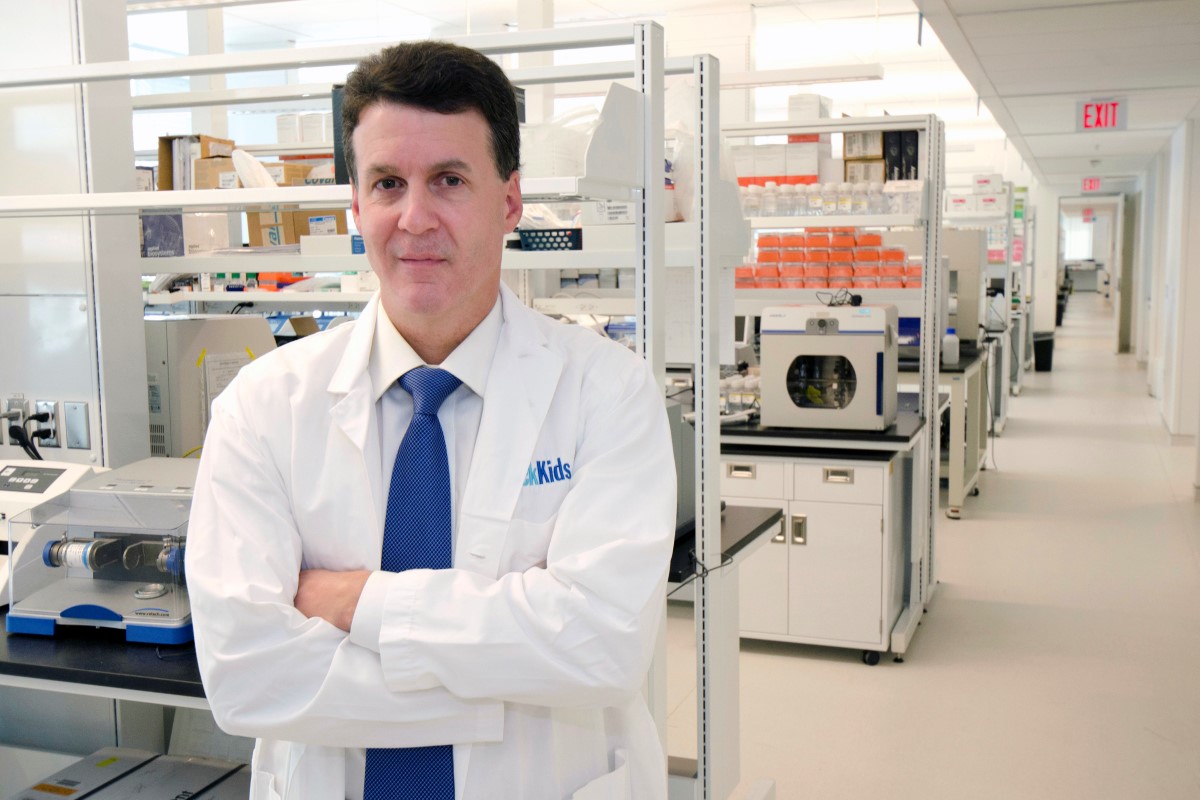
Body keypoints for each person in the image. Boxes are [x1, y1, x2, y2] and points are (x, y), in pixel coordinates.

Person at [186, 39, 677, 800]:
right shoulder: (263, 405)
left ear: (509, 199)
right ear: (356, 205)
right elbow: (246, 677)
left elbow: (603, 646)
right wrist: (494, 689)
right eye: (387, 183)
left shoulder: (607, 392)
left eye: (448, 180)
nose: (414, 218)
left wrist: (355, 601)